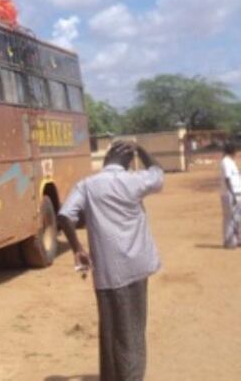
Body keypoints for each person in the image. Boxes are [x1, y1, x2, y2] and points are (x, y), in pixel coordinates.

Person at [58, 141, 164, 381]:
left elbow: (64, 215)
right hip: (136, 267)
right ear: (128, 162)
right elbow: (158, 173)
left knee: (110, 330)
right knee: (133, 330)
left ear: (106, 159)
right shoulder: (134, 180)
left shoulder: (87, 185)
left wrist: (77, 248)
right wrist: (142, 148)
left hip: (106, 271)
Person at [220, 142, 241, 249]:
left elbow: (235, 177)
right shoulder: (225, 162)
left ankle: (237, 239)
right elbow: (227, 179)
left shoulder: (232, 162)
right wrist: (232, 194)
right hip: (229, 194)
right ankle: (229, 241)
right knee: (229, 218)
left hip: (237, 193)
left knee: (237, 217)